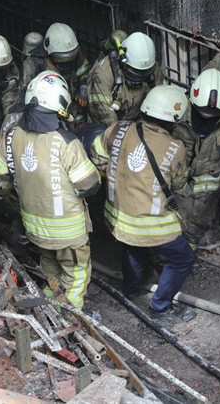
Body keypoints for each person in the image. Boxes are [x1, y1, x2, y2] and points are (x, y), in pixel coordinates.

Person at [0, 71, 101, 310]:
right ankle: (71, 317)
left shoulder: (13, 134)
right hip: (68, 232)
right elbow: (90, 185)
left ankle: (49, 310)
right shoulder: (67, 142)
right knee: (75, 276)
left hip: (35, 228)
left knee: (50, 269)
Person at [89, 84, 196, 324]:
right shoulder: (176, 148)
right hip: (150, 226)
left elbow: (96, 157)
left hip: (116, 218)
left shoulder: (117, 129)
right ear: (174, 120)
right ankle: (160, 306)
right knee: (183, 258)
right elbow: (179, 187)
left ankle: (133, 287)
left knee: (131, 245)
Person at [172, 68, 220, 248]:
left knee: (199, 221)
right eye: (202, 110)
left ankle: (187, 255)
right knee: (173, 217)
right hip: (178, 177)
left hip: (209, 181)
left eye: (211, 113)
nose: (206, 115)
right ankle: (170, 257)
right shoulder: (178, 107)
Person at [86, 31, 163, 128]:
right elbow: (103, 114)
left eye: (144, 72)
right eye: (135, 71)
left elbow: (159, 101)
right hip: (107, 126)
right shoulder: (103, 74)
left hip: (138, 122)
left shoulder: (152, 68)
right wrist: (125, 135)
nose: (140, 75)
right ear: (123, 61)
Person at [22, 23, 90, 124]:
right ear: (48, 52)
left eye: (71, 57)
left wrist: (84, 86)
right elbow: (24, 95)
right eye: (61, 58)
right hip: (48, 113)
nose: (67, 62)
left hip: (73, 108)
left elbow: (87, 71)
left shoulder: (76, 55)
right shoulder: (34, 63)